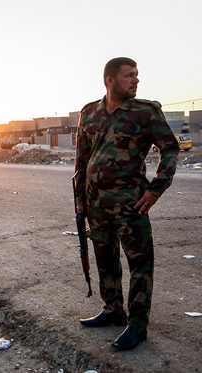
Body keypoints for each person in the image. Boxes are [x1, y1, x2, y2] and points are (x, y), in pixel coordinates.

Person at [74, 57, 179, 351]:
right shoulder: (90, 112)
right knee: (105, 259)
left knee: (140, 264)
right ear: (110, 80)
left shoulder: (145, 112)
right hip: (96, 204)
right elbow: (81, 161)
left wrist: (156, 189)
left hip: (131, 203)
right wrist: (81, 200)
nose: (135, 80)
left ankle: (137, 325)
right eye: (129, 76)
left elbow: (170, 147)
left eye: (136, 75)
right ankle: (113, 310)